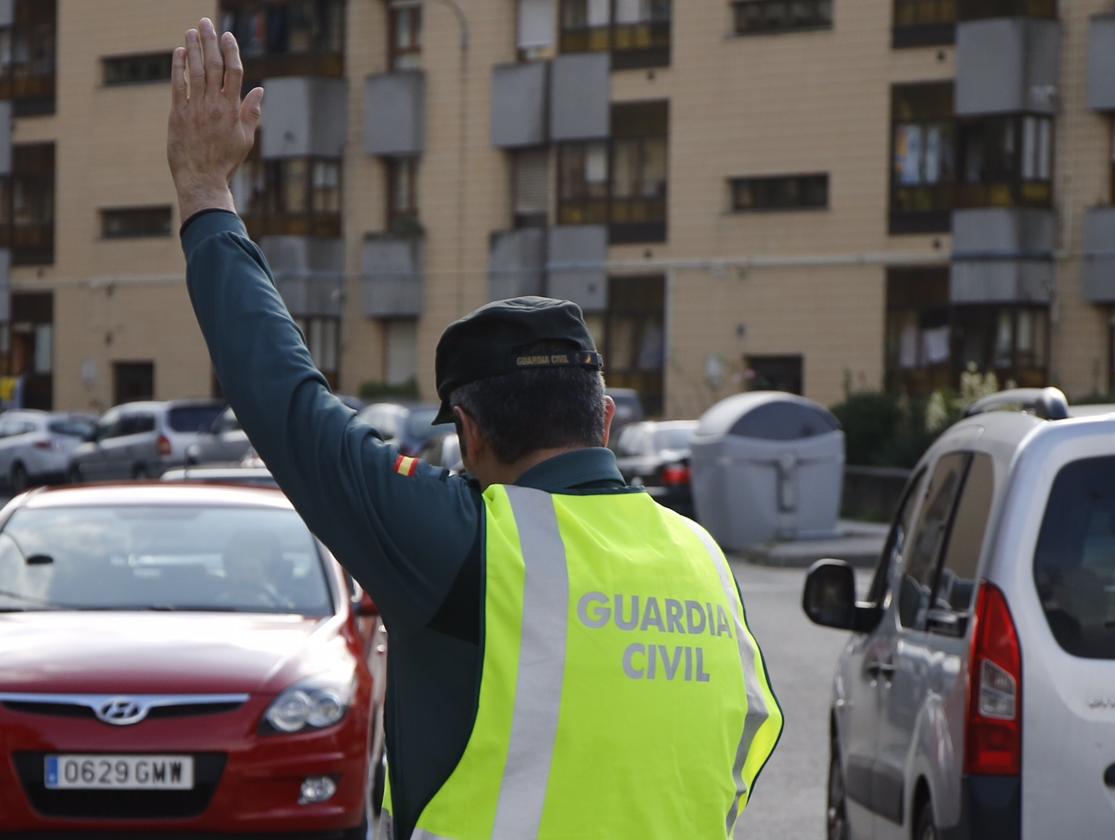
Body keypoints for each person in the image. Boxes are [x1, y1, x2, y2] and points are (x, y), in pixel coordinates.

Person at [167, 18, 782, 839]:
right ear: (604, 417)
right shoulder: (703, 559)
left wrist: (207, 195)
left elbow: (288, 402)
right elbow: (747, 737)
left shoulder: (468, 544)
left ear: (469, 433)